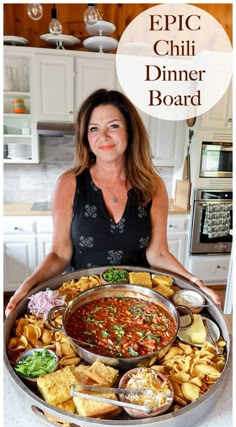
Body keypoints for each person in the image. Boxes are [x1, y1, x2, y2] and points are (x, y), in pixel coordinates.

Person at [5, 88, 220, 316]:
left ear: (130, 131)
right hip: (82, 303)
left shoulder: (152, 185)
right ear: (86, 138)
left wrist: (192, 278)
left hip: (138, 302)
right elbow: (59, 254)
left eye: (113, 126)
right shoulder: (69, 184)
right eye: (94, 129)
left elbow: (158, 253)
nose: (103, 136)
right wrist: (28, 284)